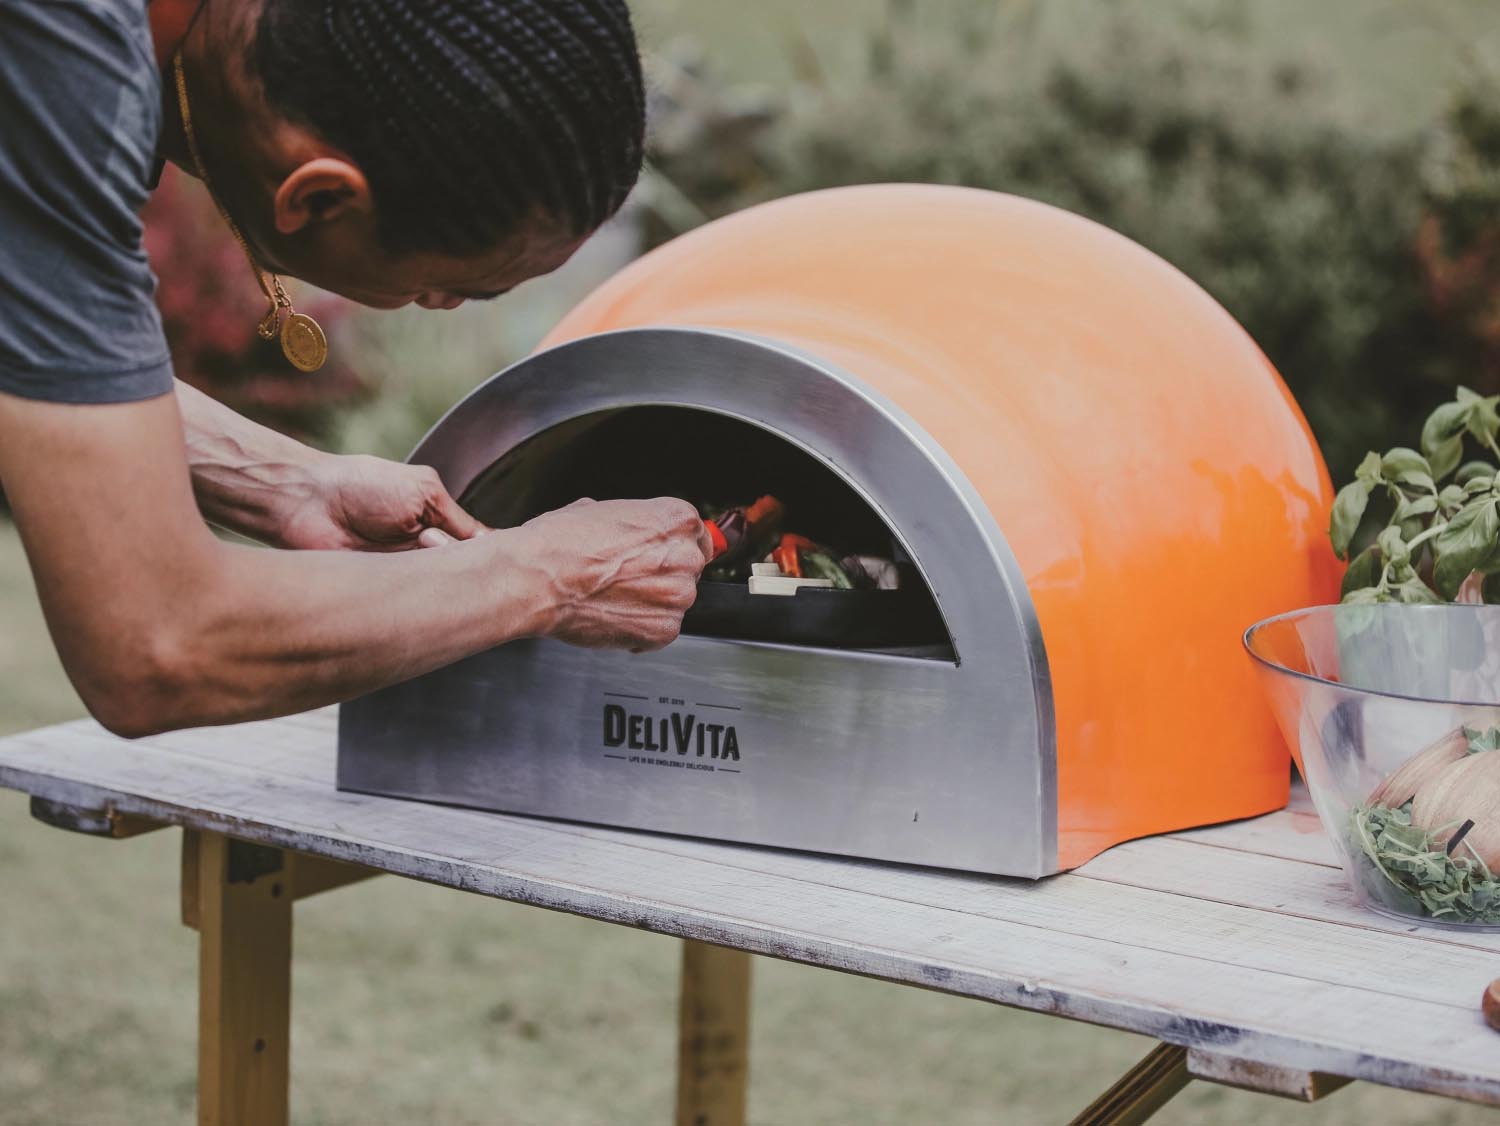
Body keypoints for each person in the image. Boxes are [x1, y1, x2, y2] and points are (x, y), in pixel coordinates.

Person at [0, 0, 710, 738]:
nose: (439, 310)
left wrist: (281, 483)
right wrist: (544, 576)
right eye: (451, 289)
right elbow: (157, 642)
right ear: (318, 197)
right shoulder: (69, 61)